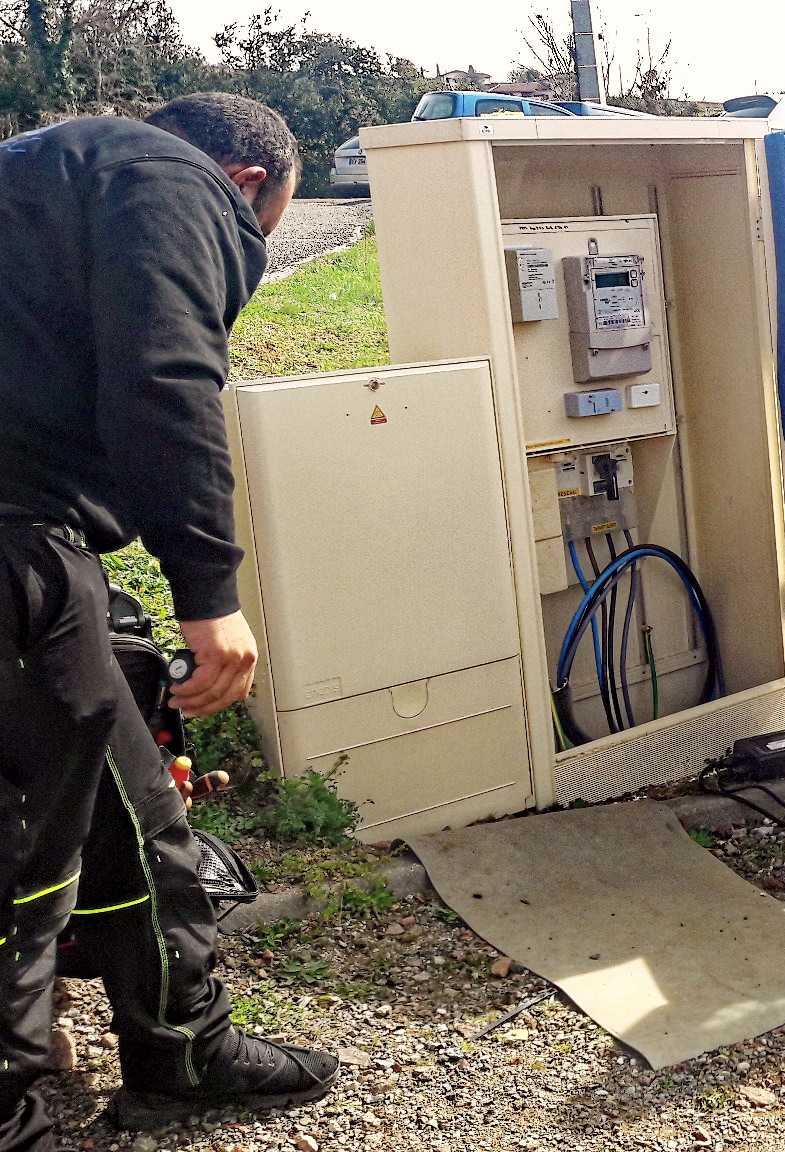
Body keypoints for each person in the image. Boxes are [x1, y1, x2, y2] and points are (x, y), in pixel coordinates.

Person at [0, 94, 337, 1150]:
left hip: (37, 547)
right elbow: (163, 377)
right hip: (12, 542)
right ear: (251, 183)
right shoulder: (171, 178)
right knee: (20, 855)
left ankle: (180, 1042)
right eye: (263, 236)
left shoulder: (35, 171)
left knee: (131, 799)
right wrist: (209, 597)